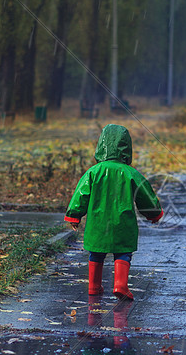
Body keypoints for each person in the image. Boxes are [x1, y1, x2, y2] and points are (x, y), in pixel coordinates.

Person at [64, 124, 163, 298]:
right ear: (126, 147)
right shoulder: (130, 173)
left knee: (96, 253)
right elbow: (144, 194)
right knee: (123, 252)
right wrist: (153, 213)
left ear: (101, 146)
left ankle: (94, 287)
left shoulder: (93, 172)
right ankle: (120, 286)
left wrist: (74, 215)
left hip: (97, 222)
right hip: (122, 221)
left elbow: (81, 194)